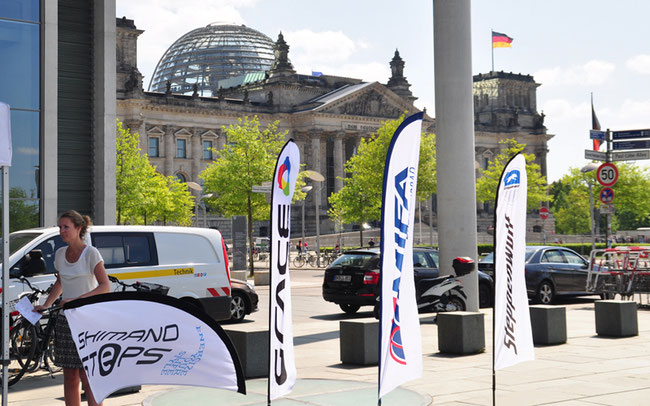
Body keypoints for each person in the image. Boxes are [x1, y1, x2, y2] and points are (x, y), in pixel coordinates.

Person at [34, 210, 110, 406]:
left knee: (88, 375)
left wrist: (77, 300)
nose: (61, 231)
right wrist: (46, 305)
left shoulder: (91, 253)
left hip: (89, 320)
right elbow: (60, 283)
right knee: (69, 376)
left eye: (66, 227)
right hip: (66, 320)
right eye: (60, 227)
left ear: (78, 228)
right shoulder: (60, 254)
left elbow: (105, 286)